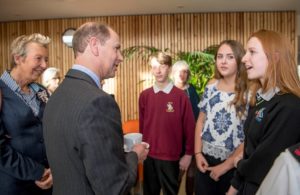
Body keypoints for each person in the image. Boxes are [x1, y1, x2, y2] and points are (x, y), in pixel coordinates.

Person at [42, 22, 149, 195]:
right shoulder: (98, 102)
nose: (121, 57)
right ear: (94, 46)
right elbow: (115, 188)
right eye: (116, 48)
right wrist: (134, 155)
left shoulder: (57, 95)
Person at [227, 29, 300, 195]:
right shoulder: (259, 100)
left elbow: (264, 163)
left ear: (274, 57)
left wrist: (238, 163)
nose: (244, 58)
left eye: (252, 52)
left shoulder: (290, 106)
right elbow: (250, 150)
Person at [0, 33, 53, 195]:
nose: (44, 65)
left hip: (48, 181)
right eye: (38, 58)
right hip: (15, 186)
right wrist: (37, 172)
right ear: (18, 59)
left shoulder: (41, 91)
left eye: (46, 59)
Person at [194, 40, 249, 195]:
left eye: (230, 57)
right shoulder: (211, 85)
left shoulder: (249, 92)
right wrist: (198, 154)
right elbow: (200, 121)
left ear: (239, 60)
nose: (223, 61)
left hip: (233, 164)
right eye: (220, 56)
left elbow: (250, 136)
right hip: (204, 159)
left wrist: (226, 165)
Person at [139, 52, 195, 195]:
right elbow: (143, 126)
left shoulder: (181, 96)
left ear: (169, 68)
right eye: (154, 67)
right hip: (149, 156)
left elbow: (189, 127)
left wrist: (188, 154)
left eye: (162, 66)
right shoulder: (145, 96)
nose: (158, 71)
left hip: (171, 158)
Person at [171, 60, 200, 195]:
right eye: (179, 72)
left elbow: (199, 114)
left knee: (192, 174)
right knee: (177, 174)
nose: (182, 75)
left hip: (192, 137)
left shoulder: (192, 90)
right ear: (173, 73)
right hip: (175, 140)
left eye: (185, 72)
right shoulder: (169, 90)